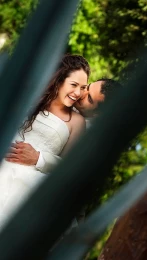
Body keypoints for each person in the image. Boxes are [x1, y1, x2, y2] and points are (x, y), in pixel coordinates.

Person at [0, 54, 90, 230]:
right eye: (73, 85)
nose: (77, 93)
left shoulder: (76, 121)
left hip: (31, 188)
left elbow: (68, 167)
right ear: (58, 80)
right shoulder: (28, 98)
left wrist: (38, 158)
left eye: (83, 87)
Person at [5, 78, 122, 173]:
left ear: (98, 113)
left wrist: (37, 158)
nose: (82, 93)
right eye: (87, 87)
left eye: (89, 98)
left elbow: (70, 168)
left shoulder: (91, 138)